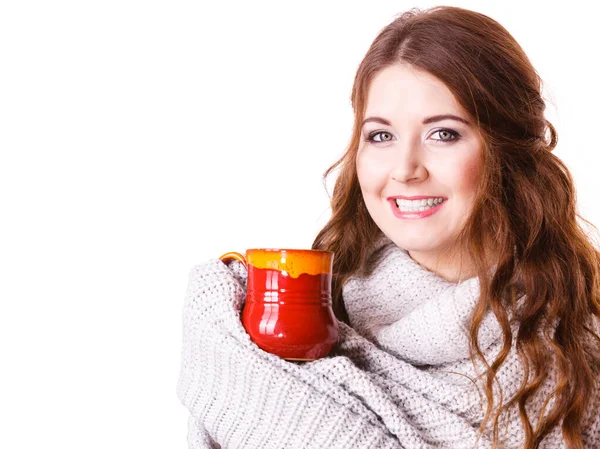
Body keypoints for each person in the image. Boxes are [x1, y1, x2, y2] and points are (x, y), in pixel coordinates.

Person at [177, 6, 600, 449]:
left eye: (444, 134)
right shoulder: (288, 328)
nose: (404, 169)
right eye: (380, 136)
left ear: (508, 152)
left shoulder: (575, 361)